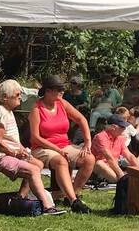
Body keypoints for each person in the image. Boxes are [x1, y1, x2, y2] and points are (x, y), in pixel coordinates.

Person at [0, 79, 63, 214]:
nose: (20, 97)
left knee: (38, 164)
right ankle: (48, 206)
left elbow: (10, 139)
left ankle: (20, 197)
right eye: (17, 95)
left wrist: (22, 150)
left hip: (7, 153)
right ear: (6, 98)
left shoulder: (7, 111)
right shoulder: (0, 113)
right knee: (33, 170)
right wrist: (14, 153)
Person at [28, 74, 95, 212]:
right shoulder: (36, 109)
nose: (62, 92)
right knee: (60, 161)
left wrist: (88, 142)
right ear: (48, 91)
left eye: (62, 89)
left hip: (64, 144)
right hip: (42, 147)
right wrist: (56, 150)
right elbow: (35, 137)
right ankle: (74, 201)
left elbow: (81, 119)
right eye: (59, 89)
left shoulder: (62, 103)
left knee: (89, 159)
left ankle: (72, 194)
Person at [90, 115, 138, 183]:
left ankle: (128, 180)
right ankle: (123, 180)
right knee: (99, 163)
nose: (124, 129)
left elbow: (129, 156)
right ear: (113, 127)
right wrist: (122, 176)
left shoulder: (120, 138)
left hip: (113, 166)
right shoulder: (100, 137)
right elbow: (109, 158)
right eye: (122, 127)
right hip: (99, 167)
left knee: (131, 161)